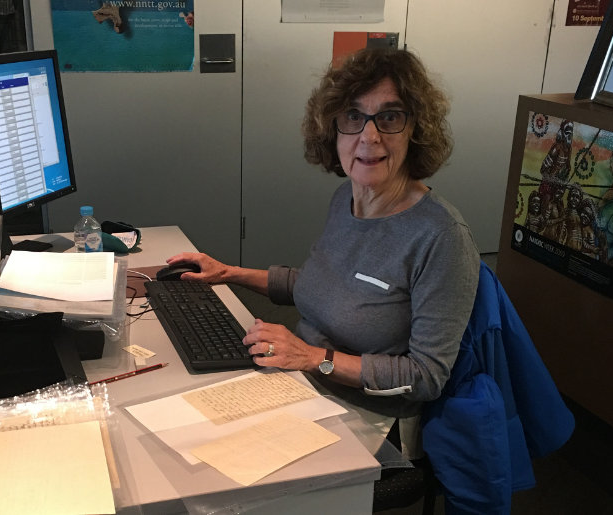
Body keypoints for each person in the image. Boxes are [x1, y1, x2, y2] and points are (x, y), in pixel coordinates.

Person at [167, 48, 479, 420]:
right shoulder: (345, 198)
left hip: (367, 415)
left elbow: (427, 377)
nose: (369, 135)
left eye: (390, 117)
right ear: (332, 130)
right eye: (353, 116)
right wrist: (228, 274)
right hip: (298, 383)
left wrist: (314, 358)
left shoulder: (441, 237)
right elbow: (321, 285)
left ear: (416, 131)